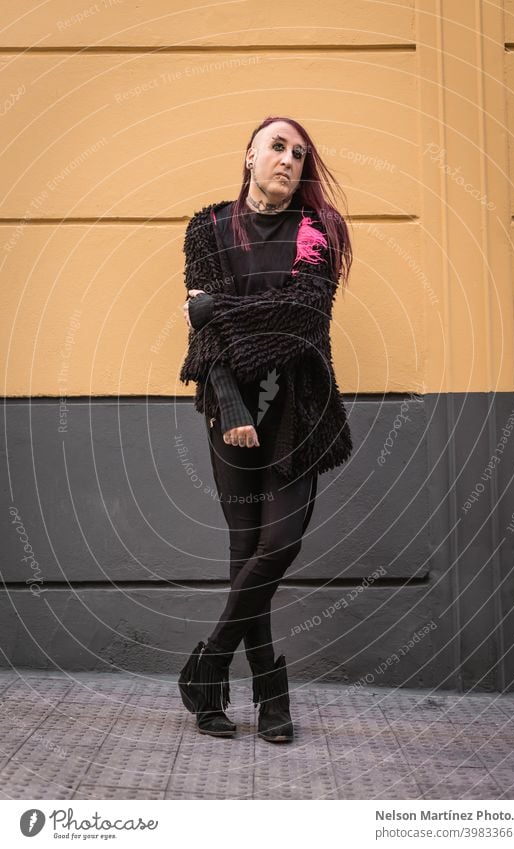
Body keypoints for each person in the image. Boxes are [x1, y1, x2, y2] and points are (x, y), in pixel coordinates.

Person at [177, 116, 353, 742]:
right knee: (244, 551)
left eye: (299, 154)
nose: (288, 160)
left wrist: (216, 306)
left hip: (298, 413)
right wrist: (232, 407)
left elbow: (300, 318)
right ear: (248, 155)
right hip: (232, 413)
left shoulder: (316, 234)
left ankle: (208, 667)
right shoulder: (209, 228)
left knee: (276, 547)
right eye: (277, 147)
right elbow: (207, 339)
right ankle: (263, 698)